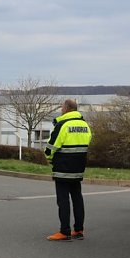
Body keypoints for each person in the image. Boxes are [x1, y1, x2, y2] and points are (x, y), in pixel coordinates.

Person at [44, 99, 92, 242]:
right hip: (78, 167)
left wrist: (48, 156)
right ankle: (78, 230)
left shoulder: (62, 125)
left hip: (63, 167)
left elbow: (51, 146)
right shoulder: (85, 125)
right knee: (77, 197)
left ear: (66, 108)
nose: (61, 110)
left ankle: (64, 231)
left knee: (63, 199)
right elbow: (87, 142)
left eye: (62, 107)